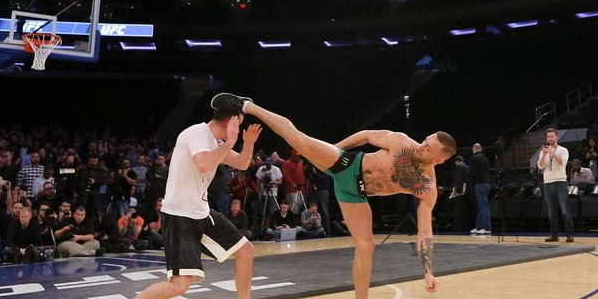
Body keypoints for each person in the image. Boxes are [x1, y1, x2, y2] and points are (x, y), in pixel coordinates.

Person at [212, 93, 456, 296]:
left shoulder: (427, 186)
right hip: (347, 164)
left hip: (356, 194)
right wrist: (337, 148)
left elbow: (425, 231)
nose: (421, 144)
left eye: (427, 147)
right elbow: (368, 135)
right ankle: (247, 105)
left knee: (366, 245)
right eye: (425, 140)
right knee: (299, 140)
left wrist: (428, 271)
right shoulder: (402, 142)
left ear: (437, 159)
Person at [135, 103, 262, 299]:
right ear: (231, 122)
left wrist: (249, 143)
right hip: (180, 215)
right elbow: (203, 163)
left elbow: (242, 163)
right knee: (179, 286)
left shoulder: (216, 142)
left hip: (201, 212)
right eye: (239, 123)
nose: (239, 128)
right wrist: (230, 143)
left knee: (246, 251)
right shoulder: (197, 133)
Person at [537, 128, 573, 242]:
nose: (550, 139)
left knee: (565, 210)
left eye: (552, 136)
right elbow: (540, 166)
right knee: (551, 212)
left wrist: (552, 152)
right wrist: (543, 154)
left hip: (560, 183)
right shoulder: (543, 151)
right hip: (548, 183)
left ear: (556, 137)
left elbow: (562, 163)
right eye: (548, 137)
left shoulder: (563, 150)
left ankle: (569, 235)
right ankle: (554, 235)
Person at [469, 143, 491, 235]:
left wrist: (470, 178)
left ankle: (486, 228)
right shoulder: (485, 158)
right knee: (482, 206)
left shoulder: (474, 158)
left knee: (483, 207)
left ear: (474, 149)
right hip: (486, 184)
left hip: (480, 184)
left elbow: (472, 173)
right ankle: (479, 226)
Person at [451, 156, 471, 232]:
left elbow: (459, 180)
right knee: (466, 211)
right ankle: (466, 227)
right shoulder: (467, 167)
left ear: (456, 161)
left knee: (458, 210)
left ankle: (457, 228)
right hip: (467, 192)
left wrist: (457, 192)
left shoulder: (459, 167)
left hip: (461, 192)